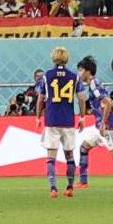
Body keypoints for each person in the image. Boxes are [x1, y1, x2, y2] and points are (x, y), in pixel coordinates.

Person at [32, 47, 84, 195]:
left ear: (53, 58)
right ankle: (69, 187)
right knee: (69, 156)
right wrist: (82, 117)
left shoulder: (47, 76)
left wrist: (37, 117)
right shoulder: (75, 76)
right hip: (68, 120)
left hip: (52, 119)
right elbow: (81, 97)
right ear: (66, 59)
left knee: (51, 156)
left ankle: (53, 188)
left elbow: (41, 98)